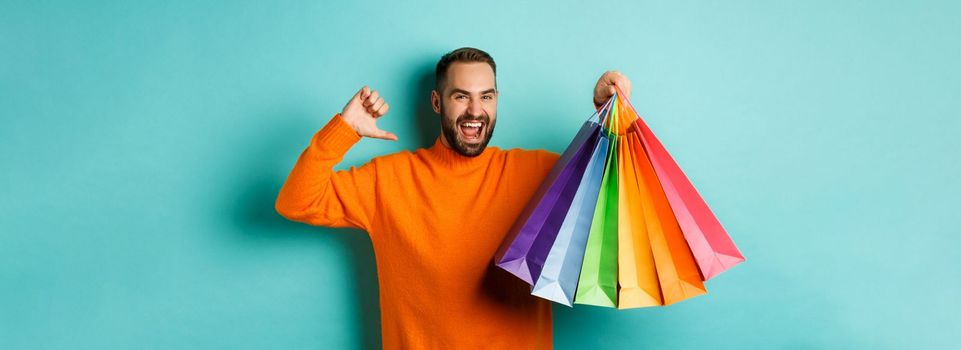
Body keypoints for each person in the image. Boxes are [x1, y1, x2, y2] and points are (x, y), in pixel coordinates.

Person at [275, 47, 632, 349]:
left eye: (486, 96)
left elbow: (618, 192)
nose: (475, 111)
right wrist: (343, 130)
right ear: (436, 102)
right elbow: (296, 201)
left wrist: (607, 117)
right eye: (461, 96)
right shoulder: (386, 180)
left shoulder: (539, 173)